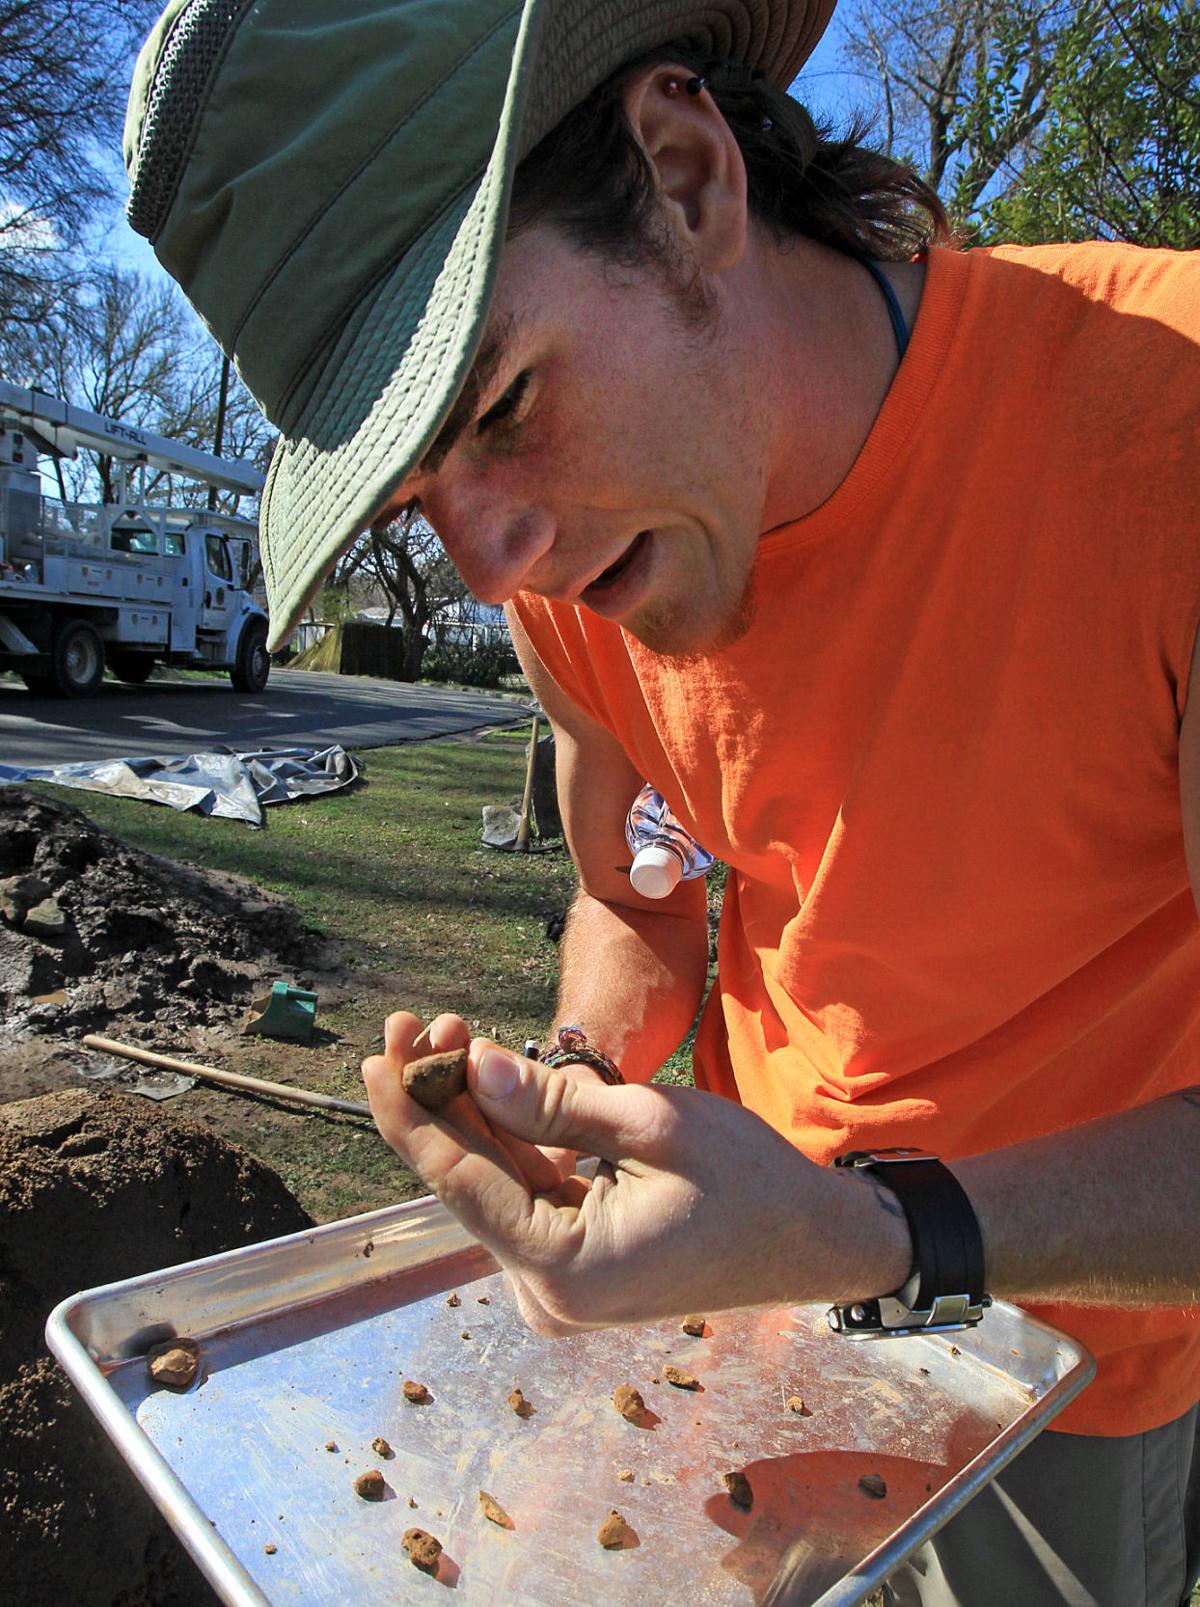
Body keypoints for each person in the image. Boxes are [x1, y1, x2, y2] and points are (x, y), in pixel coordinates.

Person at [125, 1, 1200, 1600]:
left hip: (1070, 1354)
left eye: (499, 407)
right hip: (760, 1301)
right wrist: (563, 1093)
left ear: (689, 176)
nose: (490, 562)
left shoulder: (1161, 433)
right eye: (425, 497)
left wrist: (870, 1234)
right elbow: (629, 898)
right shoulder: (572, 581)